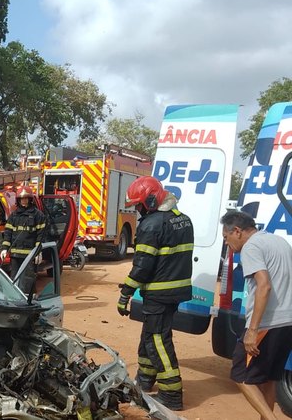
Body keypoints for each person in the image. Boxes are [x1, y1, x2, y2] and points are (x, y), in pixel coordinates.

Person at [117, 176, 193, 411]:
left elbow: (142, 266)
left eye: (139, 205)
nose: (138, 210)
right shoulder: (183, 219)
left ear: (150, 200)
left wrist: (125, 293)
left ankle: (171, 395)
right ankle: (145, 380)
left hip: (159, 292)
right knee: (150, 337)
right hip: (173, 291)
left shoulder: (151, 225)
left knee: (158, 341)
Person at [220, 210, 292, 419]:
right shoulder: (278, 242)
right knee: (268, 378)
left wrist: (253, 330)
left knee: (240, 375)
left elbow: (264, 286)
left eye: (226, 237)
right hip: (287, 322)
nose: (227, 243)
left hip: (267, 323)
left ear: (237, 231)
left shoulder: (251, 247)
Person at [0, 185, 46, 292]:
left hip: (29, 255)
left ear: (30, 199)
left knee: (28, 279)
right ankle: (15, 298)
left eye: (26, 198)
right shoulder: (14, 216)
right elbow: (8, 233)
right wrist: (4, 248)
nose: (24, 201)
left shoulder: (38, 215)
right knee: (14, 278)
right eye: (21, 199)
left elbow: (40, 235)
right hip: (15, 254)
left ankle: (29, 300)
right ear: (18, 200)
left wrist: (38, 252)